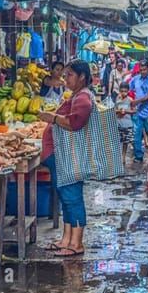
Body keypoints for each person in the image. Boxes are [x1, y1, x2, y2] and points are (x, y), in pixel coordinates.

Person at [38, 60, 95, 256]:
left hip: (70, 155)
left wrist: (52, 118)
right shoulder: (77, 95)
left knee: (72, 198)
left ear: (82, 77)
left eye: (70, 75)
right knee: (66, 197)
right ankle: (66, 239)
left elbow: (74, 123)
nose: (66, 78)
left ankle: (76, 243)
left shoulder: (83, 98)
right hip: (64, 154)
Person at [129, 60, 148, 163]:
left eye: (145, 69)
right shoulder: (135, 79)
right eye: (141, 70)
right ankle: (138, 156)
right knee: (136, 136)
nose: (143, 72)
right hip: (138, 112)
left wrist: (136, 101)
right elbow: (127, 89)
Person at [115, 82, 134, 166]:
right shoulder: (117, 99)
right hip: (118, 123)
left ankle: (123, 156)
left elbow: (134, 110)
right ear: (119, 91)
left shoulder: (130, 100)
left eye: (125, 91)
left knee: (126, 142)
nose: (123, 93)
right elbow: (114, 110)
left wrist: (126, 111)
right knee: (118, 141)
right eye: (122, 91)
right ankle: (118, 157)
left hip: (127, 123)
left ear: (128, 91)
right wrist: (119, 111)